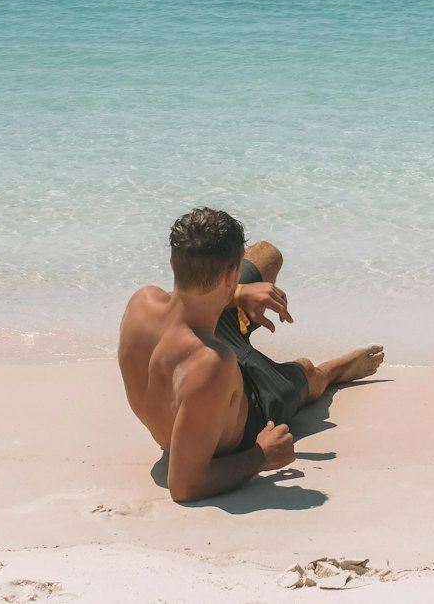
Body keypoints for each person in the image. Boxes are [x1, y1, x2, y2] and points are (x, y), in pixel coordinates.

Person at [119, 208, 384, 501]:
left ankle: (245, 303)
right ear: (230, 275)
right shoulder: (211, 364)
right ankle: (333, 371)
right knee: (307, 371)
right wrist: (261, 456)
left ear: (173, 261)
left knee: (267, 255)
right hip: (249, 412)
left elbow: (196, 304)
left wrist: (240, 293)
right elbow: (184, 485)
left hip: (206, 339)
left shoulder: (141, 304)